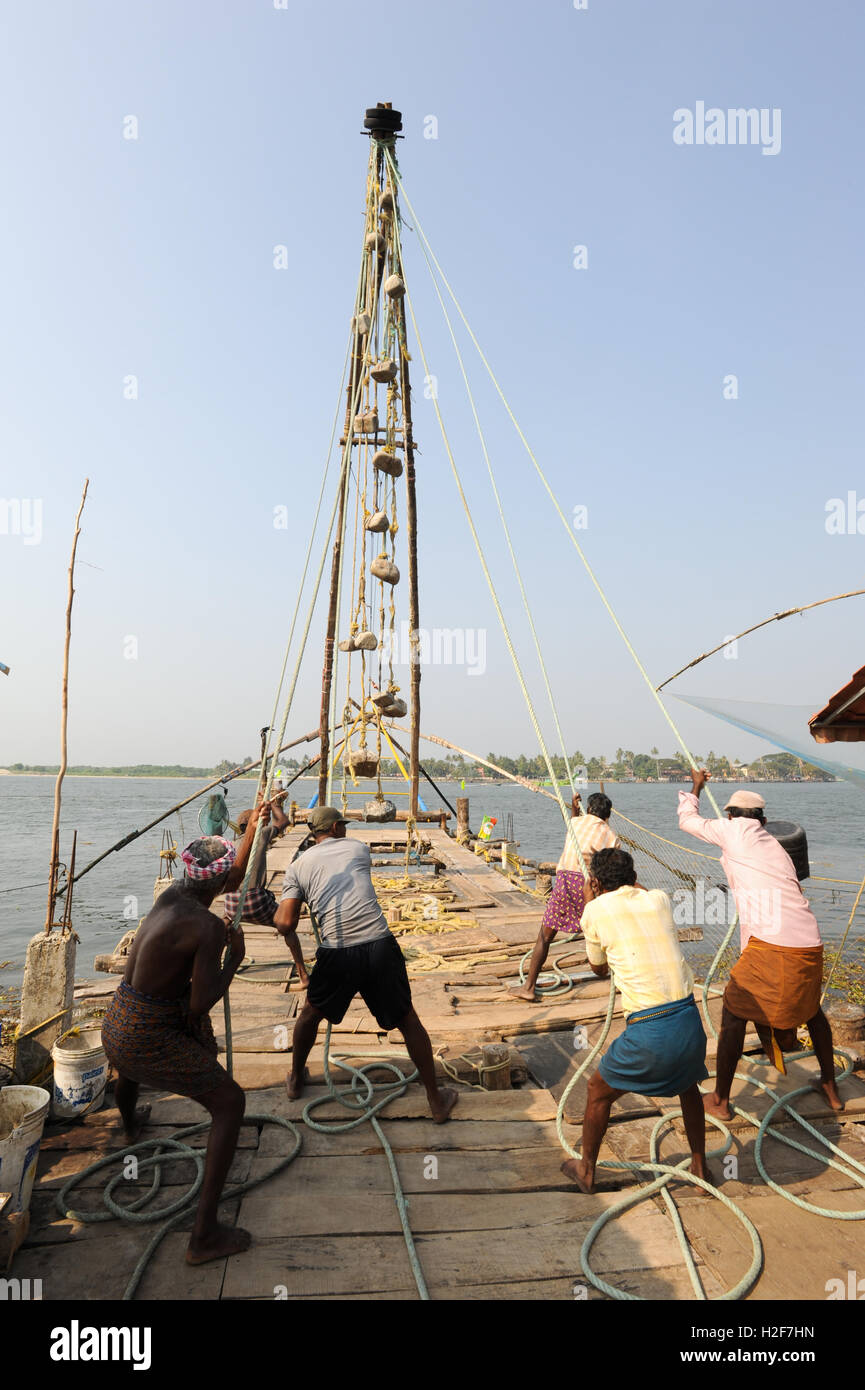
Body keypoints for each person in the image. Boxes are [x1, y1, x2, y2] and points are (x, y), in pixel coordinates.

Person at [101, 803, 269, 1265]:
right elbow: (199, 1003)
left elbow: (230, 876)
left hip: (115, 1024)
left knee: (130, 1069)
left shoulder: (172, 896)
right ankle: (203, 1236)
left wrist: (254, 826)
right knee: (231, 1102)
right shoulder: (208, 926)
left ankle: (131, 1123)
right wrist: (233, 960)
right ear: (215, 885)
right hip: (146, 1037)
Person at [273, 806, 458, 1122]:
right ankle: (436, 1101)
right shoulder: (359, 849)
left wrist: (279, 910)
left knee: (309, 1015)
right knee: (407, 1019)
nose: (345, 829)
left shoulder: (297, 867)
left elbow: (285, 924)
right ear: (334, 829)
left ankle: (295, 1079)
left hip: (337, 953)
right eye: (341, 826)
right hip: (378, 947)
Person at [678, 768, 842, 1118]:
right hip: (809, 940)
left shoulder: (733, 829)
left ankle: (720, 1101)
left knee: (735, 1013)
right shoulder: (775, 845)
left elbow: (688, 821)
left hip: (774, 943)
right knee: (811, 1010)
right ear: (764, 820)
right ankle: (829, 1084)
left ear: (732, 815)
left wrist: (696, 785)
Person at [560, 847, 711, 1194]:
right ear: (632, 878)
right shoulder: (658, 898)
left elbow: (598, 968)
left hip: (651, 1033)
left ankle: (586, 1171)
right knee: (688, 1086)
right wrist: (613, 882)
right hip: (690, 1025)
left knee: (598, 1090)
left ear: (596, 883)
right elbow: (638, 893)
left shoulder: (593, 911)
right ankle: (701, 1167)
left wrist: (590, 898)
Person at [512, 791, 620, 1002]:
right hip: (589, 886)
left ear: (588, 810)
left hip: (564, 883)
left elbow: (572, 822)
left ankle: (529, 986)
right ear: (607, 816)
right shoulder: (612, 836)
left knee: (544, 937)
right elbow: (611, 869)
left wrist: (573, 805)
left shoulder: (576, 823)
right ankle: (611, 973)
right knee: (600, 935)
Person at [222, 794, 309, 988]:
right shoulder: (261, 835)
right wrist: (272, 804)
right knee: (286, 928)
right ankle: (304, 975)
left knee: (223, 923)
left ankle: (217, 966)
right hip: (255, 901)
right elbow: (284, 821)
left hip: (232, 902)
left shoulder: (229, 846)